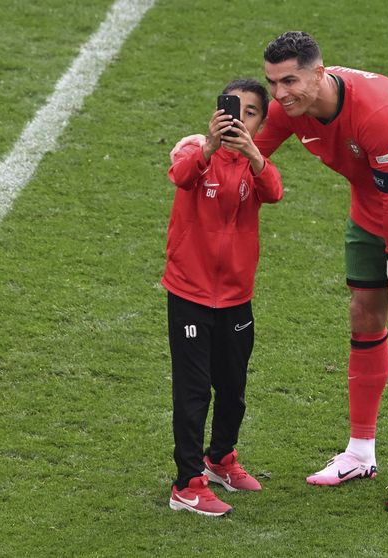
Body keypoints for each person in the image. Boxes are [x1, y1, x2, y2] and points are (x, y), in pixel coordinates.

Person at [257, 31, 388, 510]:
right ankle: (360, 453)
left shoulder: (377, 111)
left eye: (290, 81)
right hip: (371, 212)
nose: (281, 95)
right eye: (272, 84)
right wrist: (202, 154)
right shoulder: (289, 108)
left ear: (320, 72)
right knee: (363, 317)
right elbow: (252, 152)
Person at [162, 78, 283, 517]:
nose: (241, 118)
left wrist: (253, 154)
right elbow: (180, 176)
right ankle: (187, 483)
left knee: (232, 387)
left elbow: (275, 192)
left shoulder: (257, 163)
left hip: (235, 296)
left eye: (251, 113)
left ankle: (221, 459)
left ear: (261, 122)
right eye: (236, 110)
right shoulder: (194, 148)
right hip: (190, 293)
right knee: (193, 391)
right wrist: (210, 146)